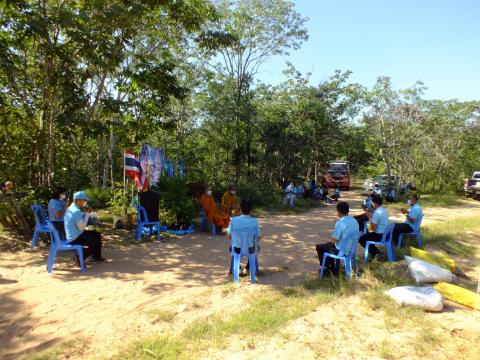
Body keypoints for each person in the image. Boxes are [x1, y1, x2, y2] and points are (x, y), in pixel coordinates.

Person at [315, 201, 358, 275]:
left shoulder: (340, 223)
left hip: (342, 251)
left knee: (320, 247)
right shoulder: (354, 220)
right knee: (327, 245)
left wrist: (336, 226)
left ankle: (329, 269)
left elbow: (334, 240)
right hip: (351, 248)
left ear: (338, 211)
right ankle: (333, 267)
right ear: (348, 211)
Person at [64, 191, 105, 265]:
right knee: (95, 243)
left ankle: (96, 257)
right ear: (79, 200)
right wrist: (87, 213)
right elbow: (82, 227)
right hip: (75, 237)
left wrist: (85, 213)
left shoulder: (71, 207)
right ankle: (79, 257)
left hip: (74, 234)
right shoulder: (76, 211)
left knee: (97, 235)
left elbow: (77, 220)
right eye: (85, 200)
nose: (86, 202)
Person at [227, 199, 261, 276]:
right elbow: (258, 237)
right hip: (250, 249)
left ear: (240, 208)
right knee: (256, 247)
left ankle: (238, 268)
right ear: (251, 209)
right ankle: (248, 268)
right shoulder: (254, 221)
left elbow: (229, 236)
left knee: (231, 247)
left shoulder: (233, 220)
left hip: (236, 249)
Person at [358, 196, 389, 261]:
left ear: (375, 203)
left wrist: (370, 218)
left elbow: (373, 228)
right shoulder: (384, 210)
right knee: (367, 235)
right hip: (385, 233)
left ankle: (376, 253)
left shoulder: (377, 212)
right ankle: (375, 253)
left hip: (380, 235)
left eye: (372, 202)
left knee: (361, 239)